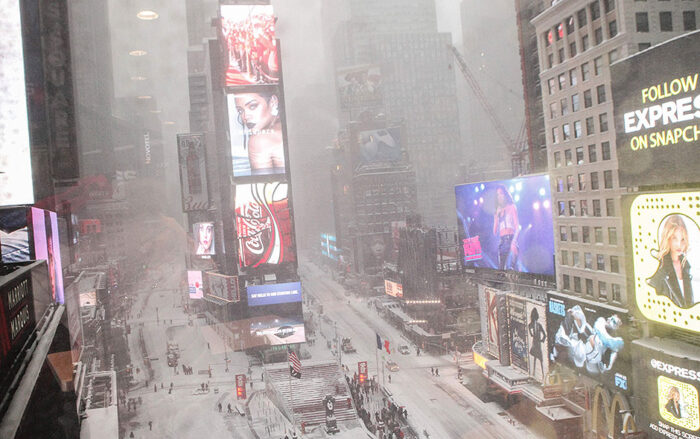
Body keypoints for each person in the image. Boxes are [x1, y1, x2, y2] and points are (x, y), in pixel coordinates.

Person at [647, 215, 696, 308]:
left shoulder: (685, 266)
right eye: (674, 238)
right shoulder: (659, 268)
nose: (679, 244)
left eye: (682, 239)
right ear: (667, 238)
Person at [233, 91, 285, 174]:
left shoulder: (259, 140)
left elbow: (264, 185)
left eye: (252, 106)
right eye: (240, 111)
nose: (245, 116)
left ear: (273, 101)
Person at [492, 186, 519, 271]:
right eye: (497, 194)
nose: (499, 196)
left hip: (510, 239)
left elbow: (518, 227)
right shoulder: (497, 212)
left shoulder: (511, 207)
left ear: (505, 195)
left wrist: (514, 241)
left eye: (501, 193)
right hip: (502, 242)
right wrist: (496, 216)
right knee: (501, 270)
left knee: (511, 269)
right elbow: (494, 232)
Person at [528, 306, 546, 380]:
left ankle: (541, 375)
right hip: (536, 343)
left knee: (539, 358)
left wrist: (542, 340)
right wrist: (541, 339)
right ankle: (536, 374)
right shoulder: (532, 325)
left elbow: (544, 334)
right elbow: (544, 335)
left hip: (537, 343)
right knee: (537, 358)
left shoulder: (537, 325)